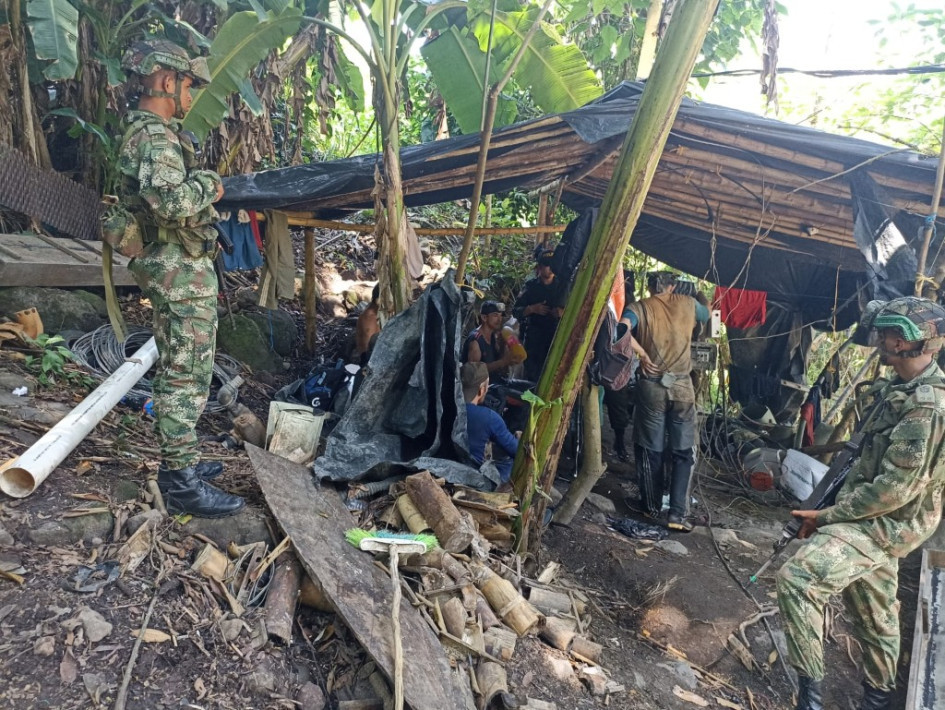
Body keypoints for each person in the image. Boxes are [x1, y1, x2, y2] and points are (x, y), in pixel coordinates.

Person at [776, 297, 945, 710]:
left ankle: (810, 700)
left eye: (891, 333)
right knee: (874, 606)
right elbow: (861, 460)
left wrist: (829, 516)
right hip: (872, 511)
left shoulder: (927, 406)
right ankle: (879, 697)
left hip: (890, 521)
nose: (882, 339)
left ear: (918, 343)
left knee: (798, 579)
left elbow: (895, 489)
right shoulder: (896, 390)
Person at [119, 39, 243, 518]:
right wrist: (210, 184)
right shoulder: (155, 137)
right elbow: (170, 203)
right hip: (175, 269)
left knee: (185, 364)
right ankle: (179, 481)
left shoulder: (152, 132)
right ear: (167, 80)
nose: (191, 95)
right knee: (185, 371)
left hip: (177, 265)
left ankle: (183, 461)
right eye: (189, 84)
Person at [622, 271, 709, 531]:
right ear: (672, 286)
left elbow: (621, 328)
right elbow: (709, 313)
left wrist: (643, 355)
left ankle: (650, 507)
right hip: (683, 386)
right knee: (684, 451)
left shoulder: (639, 307)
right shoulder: (688, 303)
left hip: (652, 385)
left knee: (651, 447)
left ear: (649, 287)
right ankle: (677, 515)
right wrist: (700, 293)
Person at [513, 245, 567, 382]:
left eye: (550, 265)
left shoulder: (563, 287)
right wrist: (531, 309)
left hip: (556, 337)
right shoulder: (531, 287)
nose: (548, 269)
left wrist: (562, 312)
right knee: (532, 376)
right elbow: (515, 311)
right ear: (539, 267)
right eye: (545, 265)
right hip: (534, 338)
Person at [461, 362, 520, 485]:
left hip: (442, 468)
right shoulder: (489, 417)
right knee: (512, 463)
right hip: (473, 478)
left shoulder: (442, 409)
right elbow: (516, 452)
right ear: (481, 389)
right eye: (487, 386)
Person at [463, 301, 515, 378]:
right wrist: (503, 362)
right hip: (480, 387)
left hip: (494, 382)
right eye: (495, 315)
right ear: (484, 318)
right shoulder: (475, 340)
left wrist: (503, 345)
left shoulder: (492, 336)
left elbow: (500, 366)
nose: (499, 319)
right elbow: (473, 373)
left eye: (501, 316)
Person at [353, 283, 381, 365]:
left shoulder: (377, 314)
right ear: (378, 300)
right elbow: (368, 352)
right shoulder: (370, 318)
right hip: (369, 362)